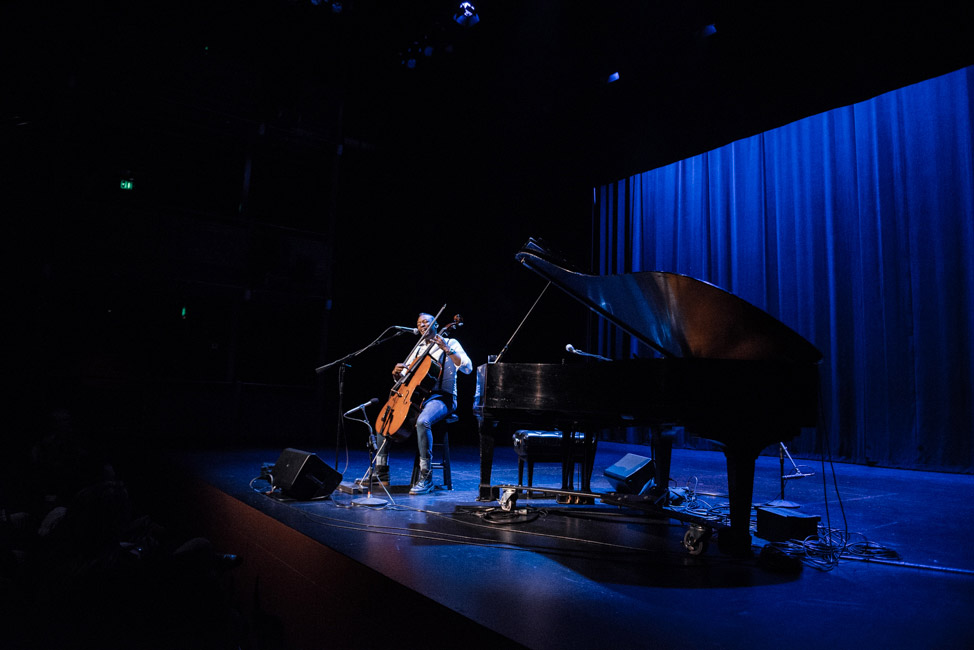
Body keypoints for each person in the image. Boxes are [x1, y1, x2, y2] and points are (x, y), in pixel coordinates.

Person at [362, 312, 473, 494]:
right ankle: (381, 472)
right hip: (419, 396)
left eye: (426, 322)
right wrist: (397, 374)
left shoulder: (451, 343)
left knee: (423, 421)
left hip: (442, 397)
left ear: (436, 325)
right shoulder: (419, 347)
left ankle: (426, 477)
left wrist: (447, 350)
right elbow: (408, 378)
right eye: (419, 323)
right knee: (385, 417)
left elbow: (468, 368)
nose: (422, 325)